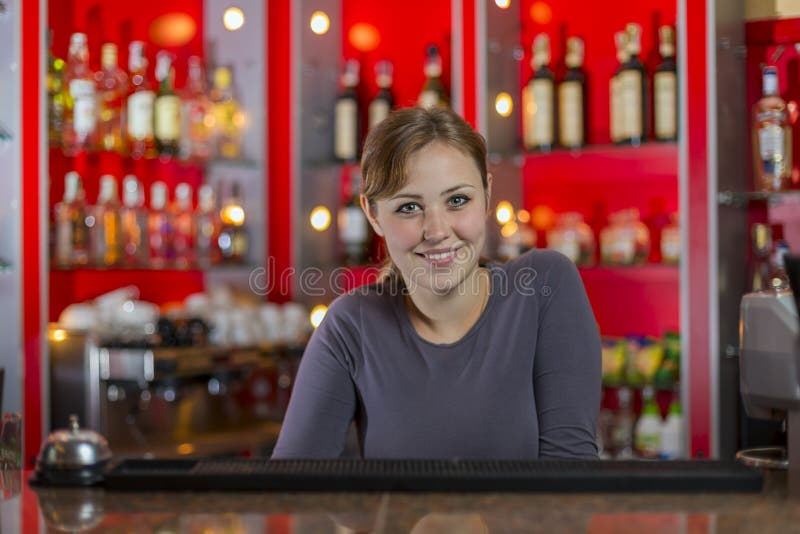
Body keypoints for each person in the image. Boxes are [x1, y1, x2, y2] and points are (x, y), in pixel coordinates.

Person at [272, 107, 601, 459]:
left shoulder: (543, 287)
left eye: (458, 200)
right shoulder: (351, 325)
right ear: (372, 214)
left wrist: (479, 517)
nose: (438, 231)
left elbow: (571, 481)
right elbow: (290, 493)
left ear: (487, 195)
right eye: (409, 208)